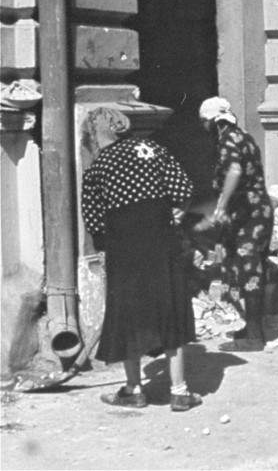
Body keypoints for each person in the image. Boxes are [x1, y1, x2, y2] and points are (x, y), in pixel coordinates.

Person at [80, 107, 201, 411]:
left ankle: (134, 390)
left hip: (125, 246)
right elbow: (184, 188)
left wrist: (103, 248)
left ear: (96, 134)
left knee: (128, 312)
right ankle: (180, 391)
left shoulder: (97, 167)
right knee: (170, 307)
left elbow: (93, 220)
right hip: (162, 239)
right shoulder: (153, 149)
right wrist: (174, 212)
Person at [197, 97, 274, 352]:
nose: (203, 128)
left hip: (248, 214)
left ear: (213, 122)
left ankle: (254, 336)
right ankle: (252, 327)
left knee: (250, 269)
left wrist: (220, 207)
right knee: (252, 267)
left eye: (204, 123)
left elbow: (234, 172)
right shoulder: (245, 137)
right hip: (257, 211)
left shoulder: (227, 140)